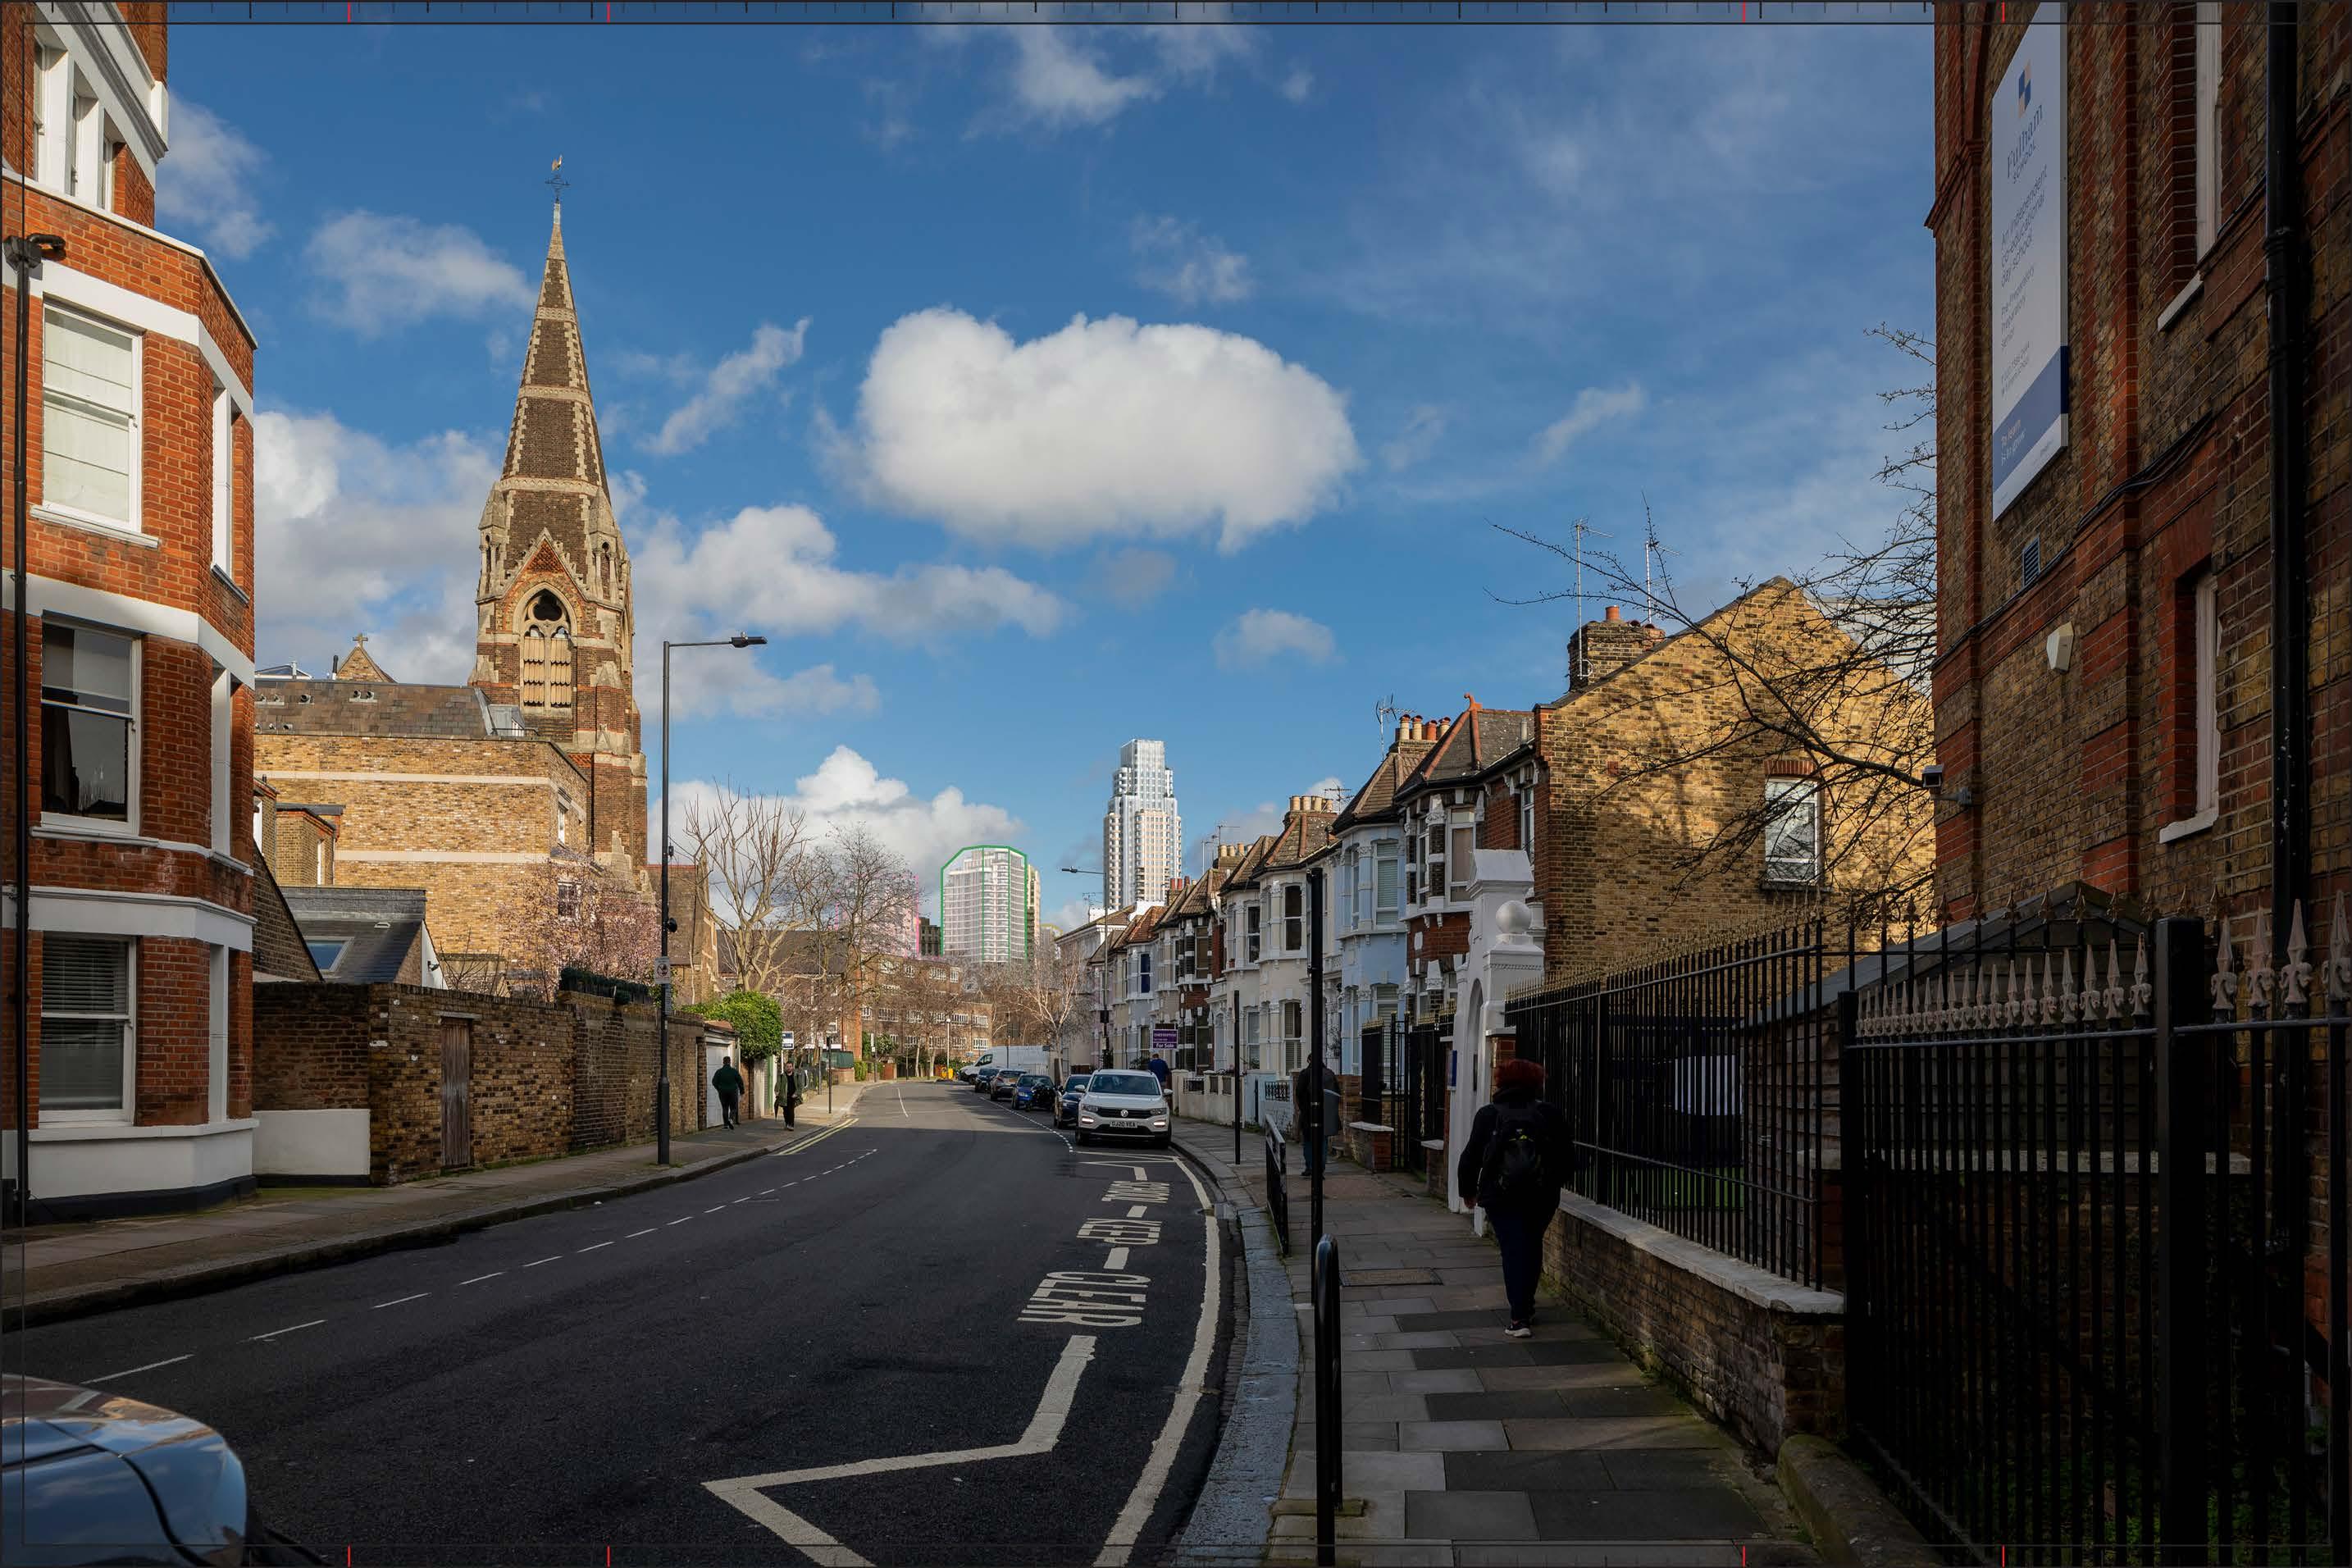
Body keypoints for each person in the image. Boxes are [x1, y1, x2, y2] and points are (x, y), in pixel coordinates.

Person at [1455, 1058, 1573, 1338]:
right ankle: (1526, 1306)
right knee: (1531, 1245)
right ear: (1537, 1082)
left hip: (1500, 1196)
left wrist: (1468, 1191)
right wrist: (1553, 1182)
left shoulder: (1489, 1114)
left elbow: (1470, 1157)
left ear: (1501, 1081)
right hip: (1541, 1196)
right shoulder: (1549, 1114)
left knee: (1512, 1249)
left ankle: (1519, 1318)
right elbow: (1567, 1157)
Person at [1292, 1054, 1338, 1178]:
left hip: (1309, 1113)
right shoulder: (1330, 1074)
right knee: (1323, 1141)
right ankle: (1320, 1168)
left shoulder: (1305, 1073)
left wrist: (1303, 1109)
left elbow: (1299, 1093)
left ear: (1309, 1060)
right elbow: (1336, 1093)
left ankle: (1310, 1167)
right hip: (1326, 1114)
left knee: (1308, 1141)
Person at [712, 1055, 744, 1129]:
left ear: (723, 1062)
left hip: (722, 1092)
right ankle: (730, 1118)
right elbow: (740, 1081)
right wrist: (742, 1091)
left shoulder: (719, 1072)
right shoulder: (734, 1071)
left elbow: (714, 1082)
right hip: (733, 1092)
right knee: (734, 1107)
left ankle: (726, 1125)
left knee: (725, 1108)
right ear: (730, 1062)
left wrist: (719, 1089)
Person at [780, 1062, 801, 1128]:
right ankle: (787, 1124)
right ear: (785, 1067)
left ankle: (791, 1125)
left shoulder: (796, 1076)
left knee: (791, 1111)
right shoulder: (782, 1076)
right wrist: (777, 1091)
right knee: (785, 1112)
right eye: (787, 1067)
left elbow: (800, 1086)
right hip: (784, 1096)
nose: (789, 1068)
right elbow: (778, 1085)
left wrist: (796, 1094)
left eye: (790, 1066)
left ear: (792, 1067)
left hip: (793, 1096)